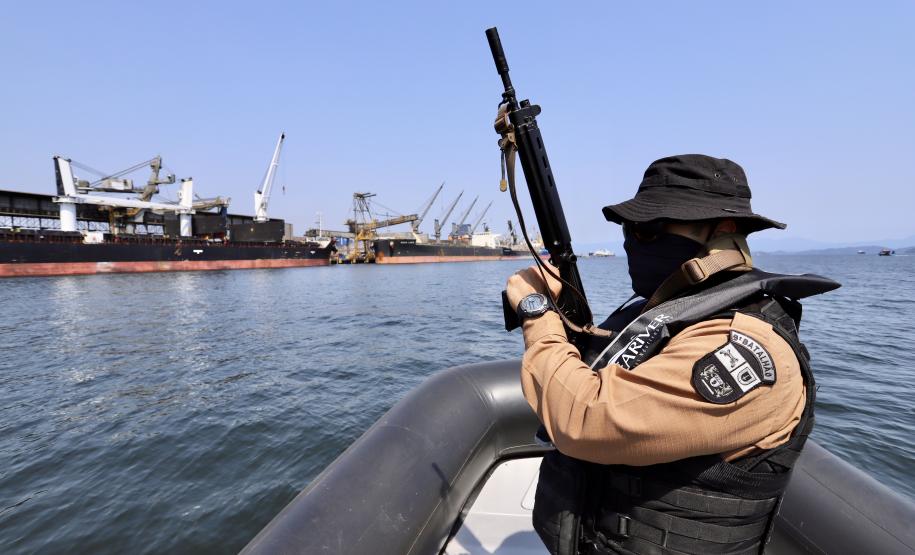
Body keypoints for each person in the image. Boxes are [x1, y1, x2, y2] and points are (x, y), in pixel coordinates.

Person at [505, 154, 836, 555]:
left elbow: (585, 419)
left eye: (649, 229)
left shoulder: (746, 347)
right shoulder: (671, 311)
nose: (632, 241)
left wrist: (536, 311)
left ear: (723, 231)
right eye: (629, 228)